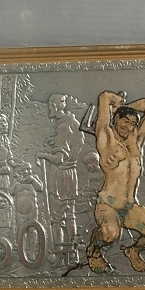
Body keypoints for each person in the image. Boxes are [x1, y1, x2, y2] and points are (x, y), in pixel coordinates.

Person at [86, 91, 145, 274]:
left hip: (128, 207)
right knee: (110, 234)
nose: (129, 127)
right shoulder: (106, 139)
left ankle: (133, 251)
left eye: (133, 123)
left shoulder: (135, 143)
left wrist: (126, 108)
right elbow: (104, 97)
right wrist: (118, 104)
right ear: (116, 119)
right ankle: (94, 251)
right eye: (125, 121)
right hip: (108, 205)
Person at [36, 94, 84, 261]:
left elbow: (59, 159)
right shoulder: (72, 123)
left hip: (60, 177)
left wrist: (43, 155)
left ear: (56, 106)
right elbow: (73, 143)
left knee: (57, 218)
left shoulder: (63, 128)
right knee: (70, 215)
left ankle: (59, 254)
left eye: (51, 105)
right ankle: (73, 254)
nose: (49, 108)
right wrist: (55, 140)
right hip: (71, 174)